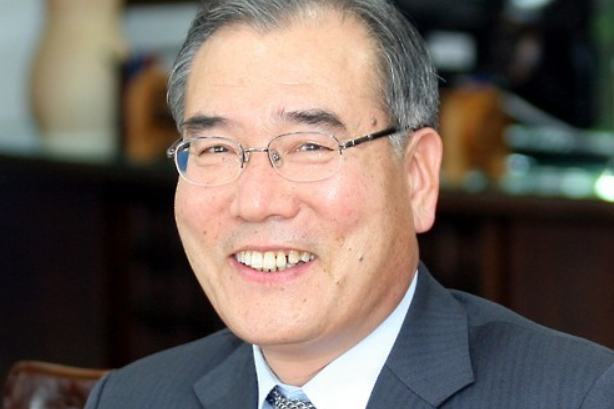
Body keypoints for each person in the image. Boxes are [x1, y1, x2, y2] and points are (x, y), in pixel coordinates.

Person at [85, 0, 614, 408]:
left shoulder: (577, 396)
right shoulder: (131, 398)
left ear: (416, 176)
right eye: (216, 149)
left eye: (310, 147)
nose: (255, 202)